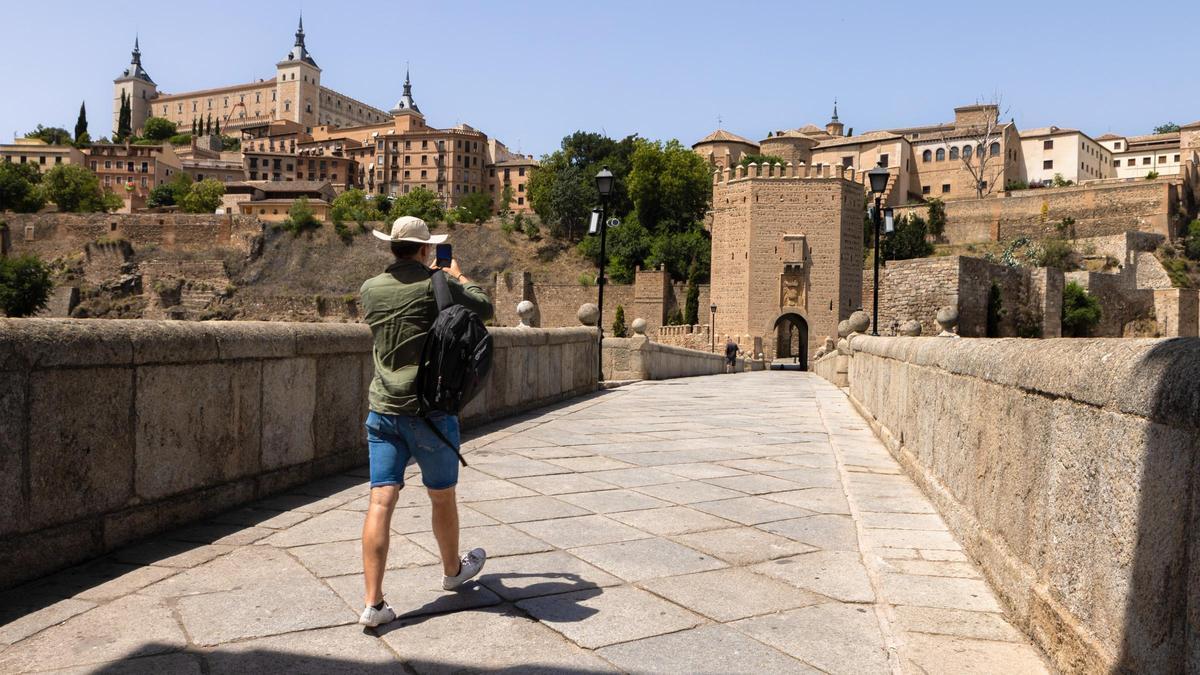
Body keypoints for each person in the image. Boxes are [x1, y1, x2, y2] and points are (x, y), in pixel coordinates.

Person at [357, 216, 495, 628]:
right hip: (430, 413)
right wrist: (455, 275)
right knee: (441, 496)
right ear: (424, 250)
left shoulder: (369, 289)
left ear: (391, 248)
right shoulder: (437, 284)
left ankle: (373, 602)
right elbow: (484, 307)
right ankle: (453, 571)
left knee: (380, 500)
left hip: (383, 408)